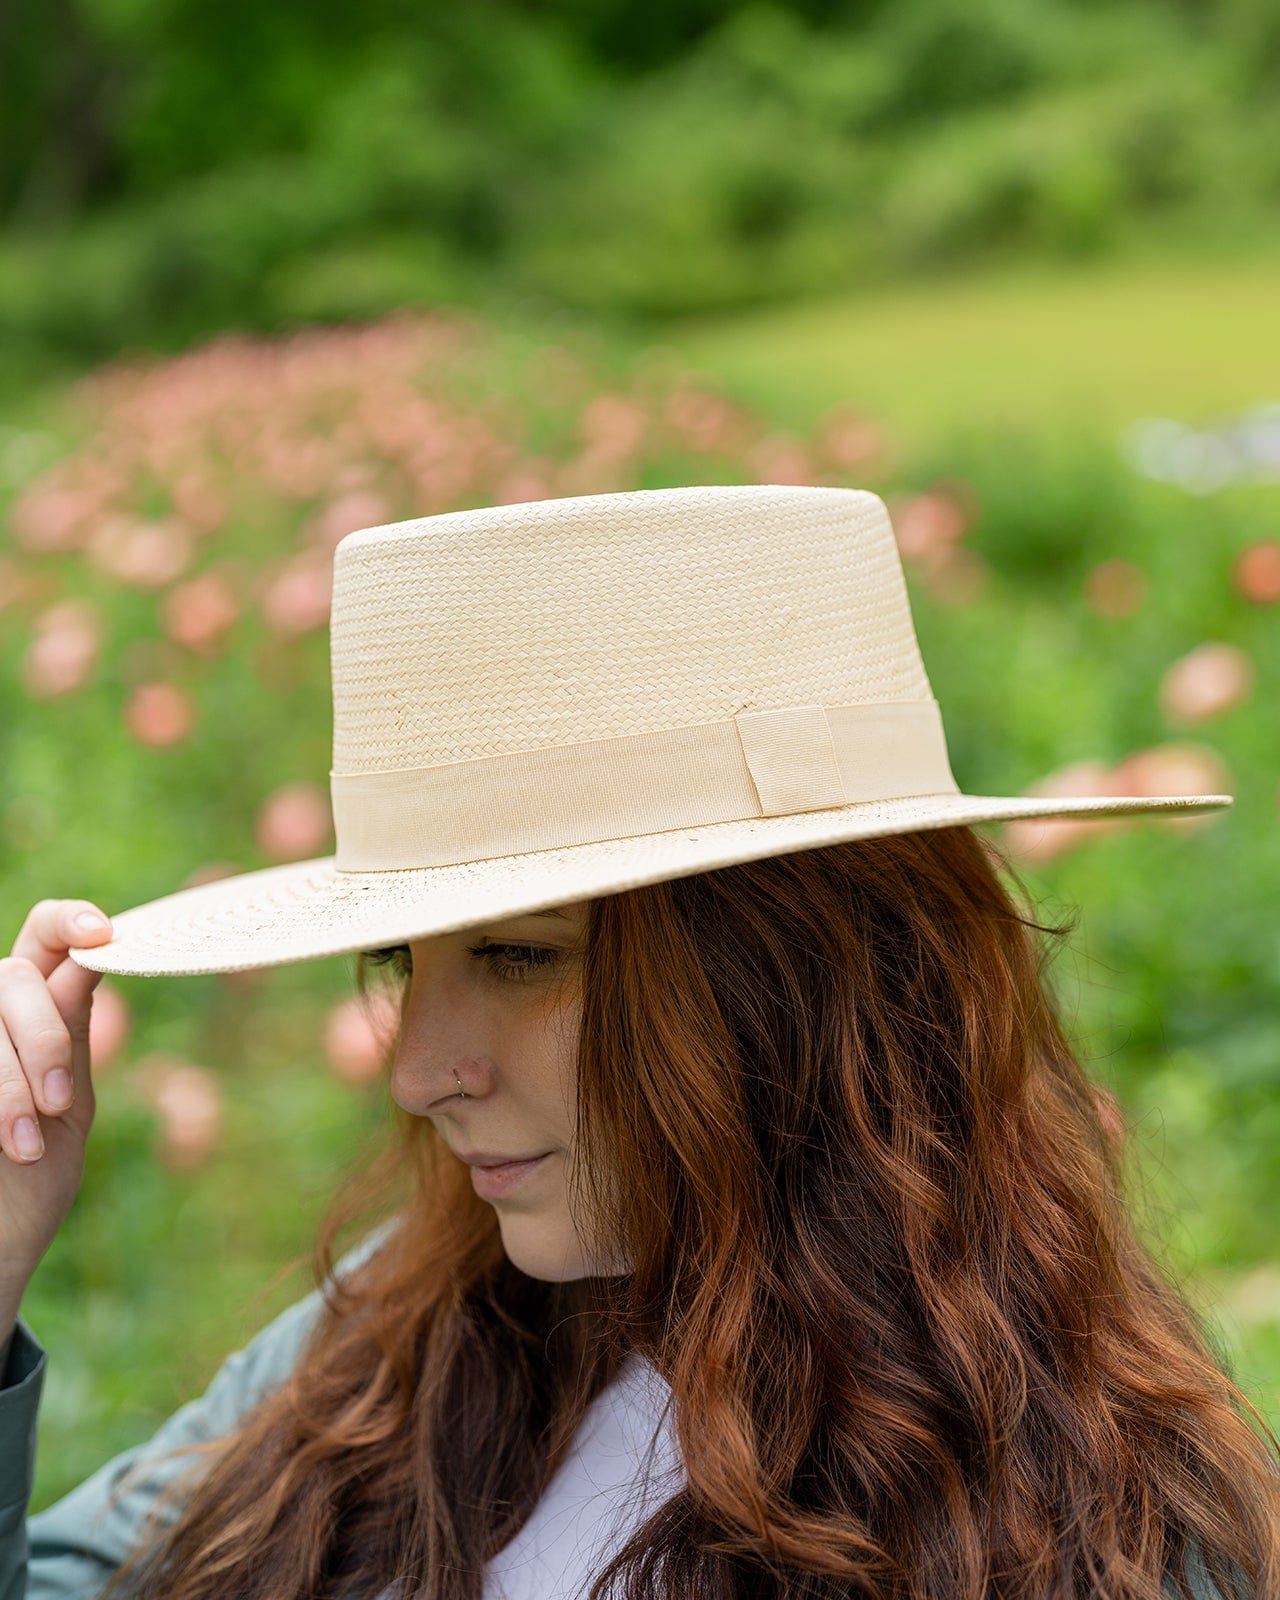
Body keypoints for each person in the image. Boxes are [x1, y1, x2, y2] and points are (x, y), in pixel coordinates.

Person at [1, 484, 1274, 1600]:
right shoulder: (399, 1336)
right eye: (400, 960)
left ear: (788, 972)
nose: (416, 1071)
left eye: (518, 954)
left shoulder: (1094, 1531)